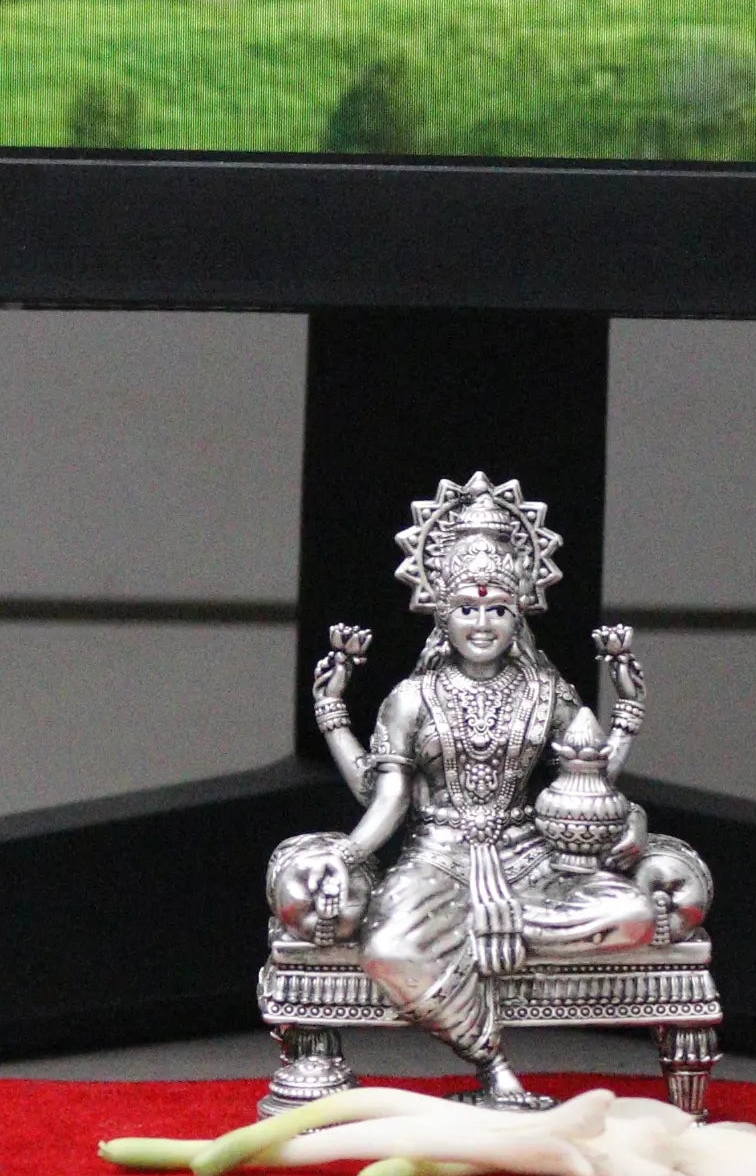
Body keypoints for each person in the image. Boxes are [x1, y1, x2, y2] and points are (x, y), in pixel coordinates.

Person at [282, 473, 710, 1108]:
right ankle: (492, 1062)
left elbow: (589, 784)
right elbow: (387, 796)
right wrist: (347, 842)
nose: (482, 624)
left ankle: (493, 929)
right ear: (442, 613)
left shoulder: (546, 691)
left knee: (632, 915)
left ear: (517, 614)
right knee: (391, 948)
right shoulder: (413, 697)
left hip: (529, 857)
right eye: (467, 609)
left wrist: (627, 714)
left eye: (498, 609)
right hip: (437, 859)